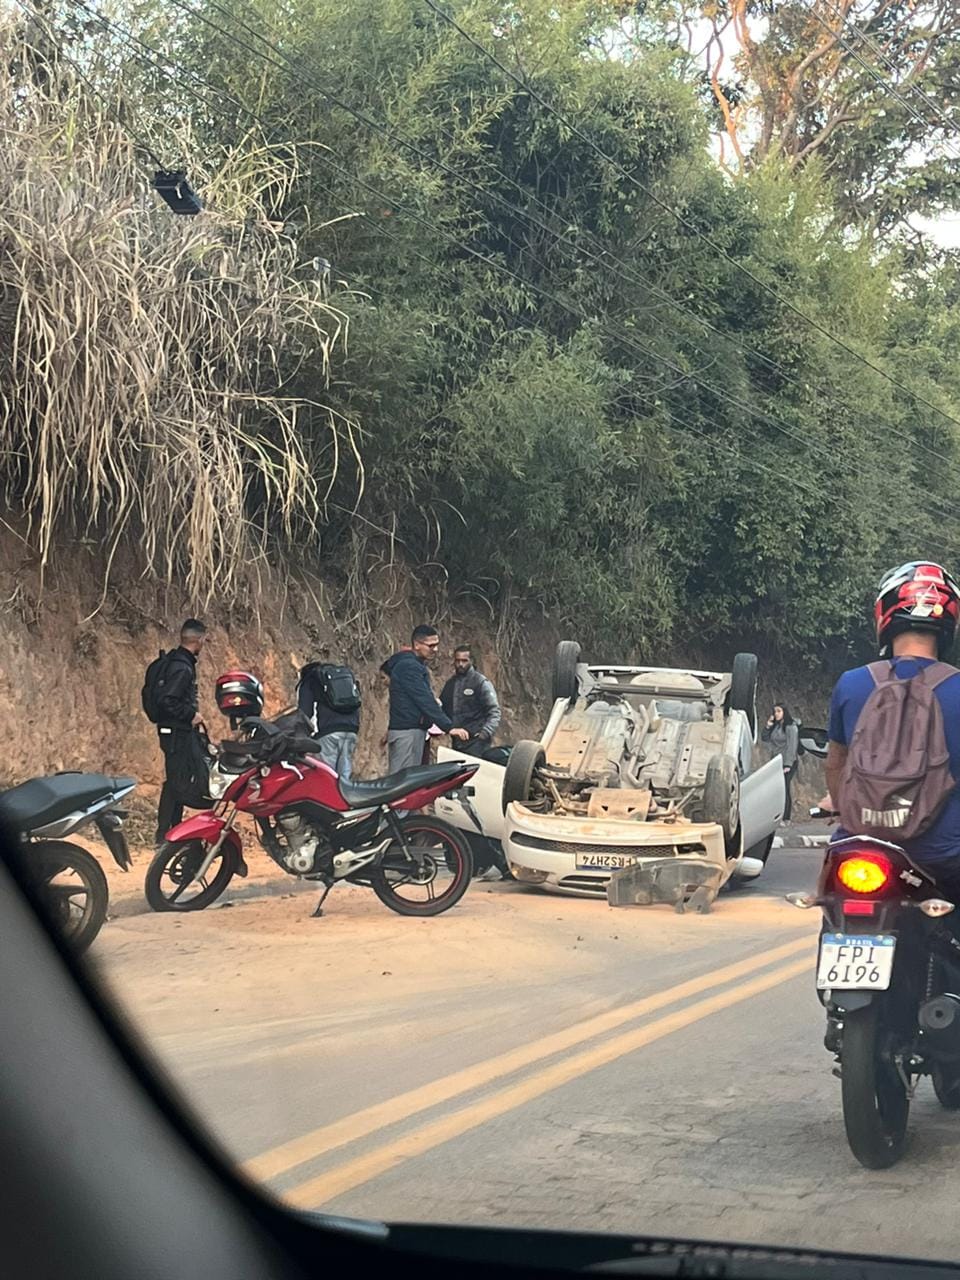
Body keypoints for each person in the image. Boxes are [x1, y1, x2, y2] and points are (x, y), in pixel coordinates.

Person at [826, 561, 960, 894]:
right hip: (942, 851)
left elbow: (835, 764)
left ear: (885, 615)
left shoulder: (852, 683)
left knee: (836, 909)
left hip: (860, 843)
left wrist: (842, 804)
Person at [381, 625, 469, 774]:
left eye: (436, 645)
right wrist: (449, 727)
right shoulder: (409, 667)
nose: (435, 649)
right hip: (407, 733)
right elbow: (424, 700)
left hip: (410, 731)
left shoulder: (410, 665)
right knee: (401, 783)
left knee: (408, 781)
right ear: (417, 645)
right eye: (431, 645)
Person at [154, 619, 207, 847]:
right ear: (198, 640)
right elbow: (168, 700)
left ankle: (171, 831)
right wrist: (191, 715)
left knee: (176, 781)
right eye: (204, 640)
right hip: (177, 732)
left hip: (173, 732)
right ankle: (164, 835)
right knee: (176, 783)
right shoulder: (182, 668)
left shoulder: (179, 662)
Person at [297, 662, 361, 780]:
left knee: (326, 777)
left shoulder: (310, 679)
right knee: (344, 781)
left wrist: (300, 740)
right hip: (351, 730)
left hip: (328, 734)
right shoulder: (341, 678)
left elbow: (304, 714)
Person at [440, 645, 502, 757]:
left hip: (477, 742)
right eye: (457, 660)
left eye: (464, 660)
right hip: (456, 742)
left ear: (471, 661)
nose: (460, 664)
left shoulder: (480, 682)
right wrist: (448, 727)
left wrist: (485, 733)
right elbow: (442, 710)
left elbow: (494, 711)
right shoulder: (450, 684)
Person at [761, 702, 799, 822]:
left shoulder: (791, 727)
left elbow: (792, 746)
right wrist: (768, 726)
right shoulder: (776, 726)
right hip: (776, 761)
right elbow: (765, 738)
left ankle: (786, 817)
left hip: (788, 761)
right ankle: (776, 815)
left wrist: (788, 764)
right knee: (776, 789)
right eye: (775, 711)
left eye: (779, 711)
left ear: (784, 712)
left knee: (785, 788)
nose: (776, 714)